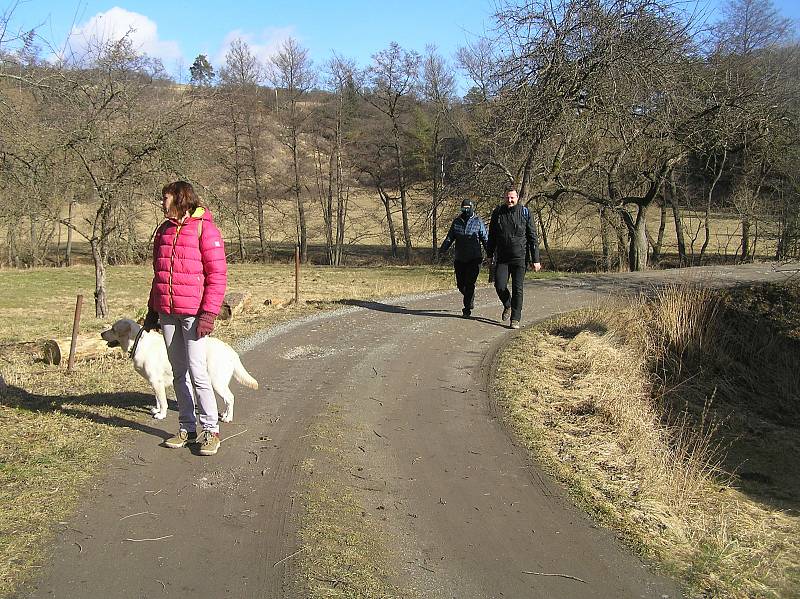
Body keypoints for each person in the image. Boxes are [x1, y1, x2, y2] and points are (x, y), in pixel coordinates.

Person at [143, 181, 228, 456]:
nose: (161, 202)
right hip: (168, 313)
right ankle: (187, 427)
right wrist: (152, 309)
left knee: (198, 372)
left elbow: (217, 276)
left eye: (164, 197)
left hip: (194, 315)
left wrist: (209, 314)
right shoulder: (164, 230)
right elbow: (159, 274)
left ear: (180, 198)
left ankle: (211, 430)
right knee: (178, 372)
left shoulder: (205, 228)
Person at [486, 185, 541, 329]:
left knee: (518, 289)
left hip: (520, 257)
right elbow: (491, 236)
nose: (510, 200)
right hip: (502, 258)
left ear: (517, 198)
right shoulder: (498, 213)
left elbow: (532, 237)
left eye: (512, 197)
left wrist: (536, 259)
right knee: (499, 285)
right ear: (504, 198)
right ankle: (507, 304)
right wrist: (489, 254)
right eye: (507, 197)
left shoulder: (525, 212)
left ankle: (515, 318)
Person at [439, 199, 489, 318]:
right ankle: (469, 296)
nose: (465, 210)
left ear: (472, 208)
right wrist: (442, 250)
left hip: (475, 258)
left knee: (470, 283)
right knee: (461, 285)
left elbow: (485, 239)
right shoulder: (457, 222)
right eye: (463, 208)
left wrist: (490, 253)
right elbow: (450, 238)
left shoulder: (478, 221)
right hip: (460, 258)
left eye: (468, 208)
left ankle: (467, 308)